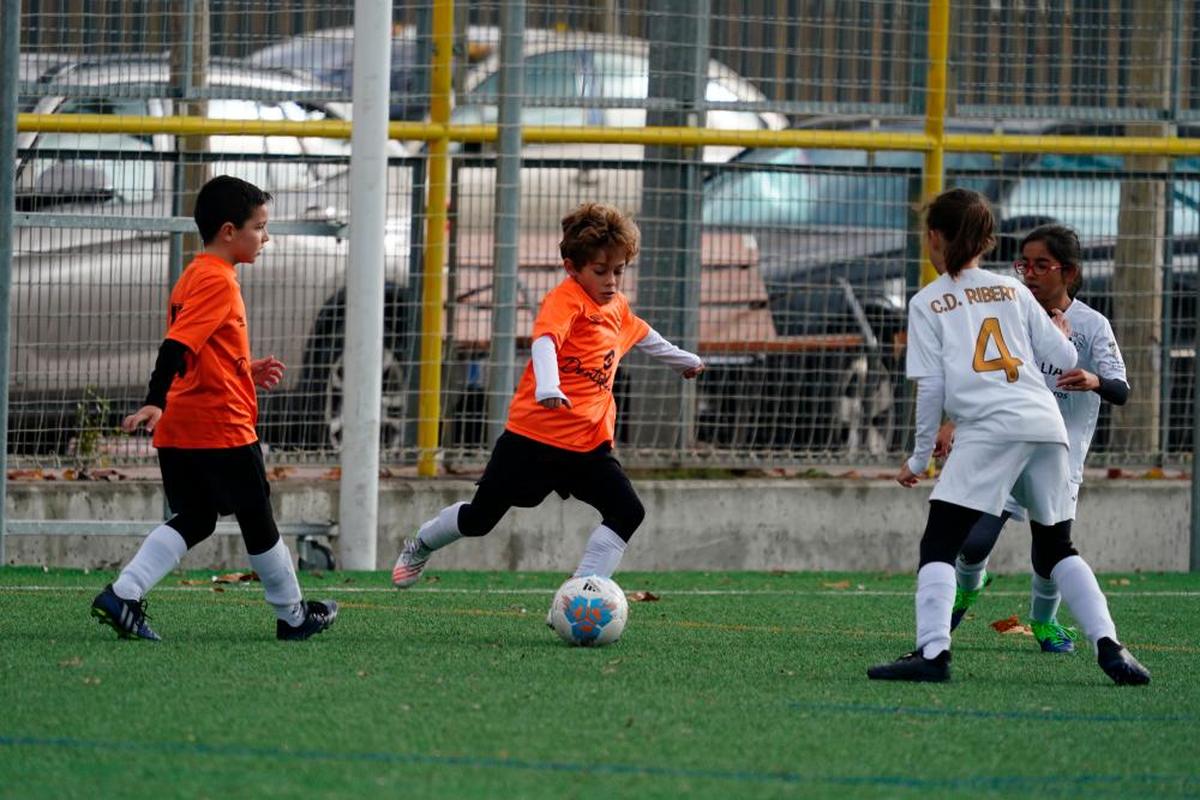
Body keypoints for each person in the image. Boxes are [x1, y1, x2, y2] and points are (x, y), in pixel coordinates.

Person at [866, 188, 1148, 685]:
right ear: (986, 242)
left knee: (938, 544)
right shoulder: (1012, 291)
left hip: (990, 428)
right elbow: (1062, 360)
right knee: (1058, 547)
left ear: (935, 238)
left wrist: (917, 458)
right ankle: (1111, 647)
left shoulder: (927, 301)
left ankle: (933, 654)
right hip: (1044, 424)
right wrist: (1058, 332)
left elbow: (931, 387)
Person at [391, 202, 704, 590]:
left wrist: (681, 360)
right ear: (573, 268)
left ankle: (583, 591)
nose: (611, 281)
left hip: (587, 445)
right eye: (600, 271)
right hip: (533, 438)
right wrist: (548, 386)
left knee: (627, 511)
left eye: (619, 271)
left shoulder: (616, 307)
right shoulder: (566, 299)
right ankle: (420, 544)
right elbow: (545, 341)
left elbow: (642, 334)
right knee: (480, 519)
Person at [90, 175, 338, 642]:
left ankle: (124, 594)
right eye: (259, 227)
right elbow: (176, 346)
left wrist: (246, 368)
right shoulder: (217, 282)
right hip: (219, 426)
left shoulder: (196, 272)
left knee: (198, 517)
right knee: (256, 514)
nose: (266, 237)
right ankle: (292, 615)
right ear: (229, 231)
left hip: (183, 426)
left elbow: (201, 351)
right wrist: (153, 399)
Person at [939, 225, 1130, 653]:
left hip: (1058, 458)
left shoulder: (1092, 326)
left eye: (1042, 265)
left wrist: (1095, 380)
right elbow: (983, 374)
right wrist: (955, 422)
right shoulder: (1009, 313)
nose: (1030, 273)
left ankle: (1044, 623)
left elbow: (1121, 389)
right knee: (971, 542)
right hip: (1007, 448)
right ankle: (969, 585)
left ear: (1070, 272)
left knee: (1049, 556)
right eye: (1024, 264)